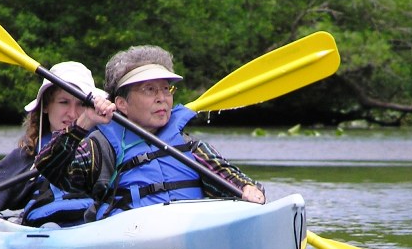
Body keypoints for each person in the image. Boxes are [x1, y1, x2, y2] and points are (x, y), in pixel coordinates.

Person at [35, 45, 265, 222]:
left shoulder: (191, 147)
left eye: (166, 88)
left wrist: (248, 189)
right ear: (122, 104)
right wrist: (84, 121)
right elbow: (50, 167)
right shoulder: (101, 146)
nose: (161, 98)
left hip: (190, 231)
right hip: (131, 236)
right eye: (149, 89)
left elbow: (229, 176)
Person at [0, 61, 107, 229]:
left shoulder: (105, 150)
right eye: (64, 102)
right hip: (48, 233)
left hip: (96, 232)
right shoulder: (25, 159)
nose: (72, 113)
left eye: (81, 104)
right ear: (46, 105)